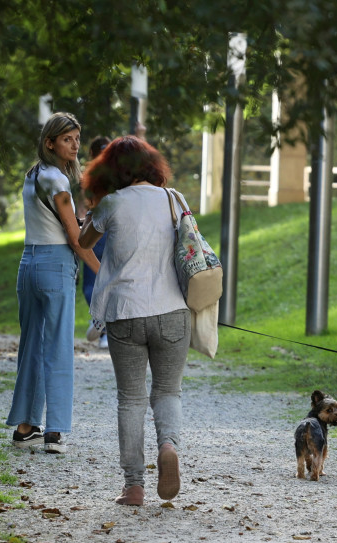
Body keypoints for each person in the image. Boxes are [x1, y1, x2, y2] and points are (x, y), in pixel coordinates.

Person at [78, 135, 190, 506]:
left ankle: (134, 486)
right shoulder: (174, 199)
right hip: (172, 310)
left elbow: (84, 241)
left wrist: (91, 210)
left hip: (126, 312)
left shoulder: (110, 204)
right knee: (167, 391)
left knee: (131, 399)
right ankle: (169, 445)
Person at [8, 112, 100, 454]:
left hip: (28, 264)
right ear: (50, 143)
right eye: (67, 139)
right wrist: (102, 273)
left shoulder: (34, 176)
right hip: (54, 264)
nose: (75, 145)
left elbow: (62, 222)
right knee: (58, 346)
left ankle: (26, 424)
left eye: (77, 138)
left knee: (31, 344)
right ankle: (56, 430)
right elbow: (75, 239)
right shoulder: (57, 181)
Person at [82, 136, 112, 349]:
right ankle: (104, 327)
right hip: (102, 233)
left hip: (104, 233)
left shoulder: (116, 176)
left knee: (99, 284)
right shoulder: (89, 176)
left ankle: (105, 329)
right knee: (95, 286)